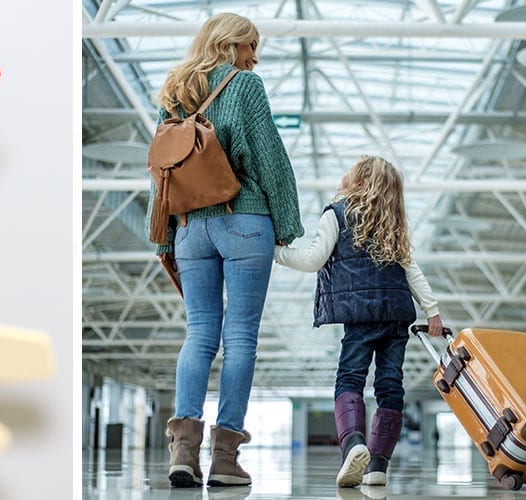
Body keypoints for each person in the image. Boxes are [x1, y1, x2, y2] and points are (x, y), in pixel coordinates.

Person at [148, 12, 304, 488]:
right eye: (250, 46)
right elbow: (270, 157)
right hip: (243, 220)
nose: (254, 57)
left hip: (191, 226)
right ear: (229, 44)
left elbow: (162, 170)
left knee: (199, 334)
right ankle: (225, 458)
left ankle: (183, 450)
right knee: (240, 339)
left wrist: (166, 234)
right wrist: (288, 224)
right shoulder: (244, 87)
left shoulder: (175, 92)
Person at [273, 155, 444, 488]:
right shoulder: (393, 225)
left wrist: (276, 252)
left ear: (361, 182)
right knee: (390, 385)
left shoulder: (336, 214)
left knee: (350, 378)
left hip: (360, 314)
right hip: (396, 314)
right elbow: (412, 272)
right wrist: (433, 311)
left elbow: (312, 260)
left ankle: (353, 444)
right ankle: (378, 465)